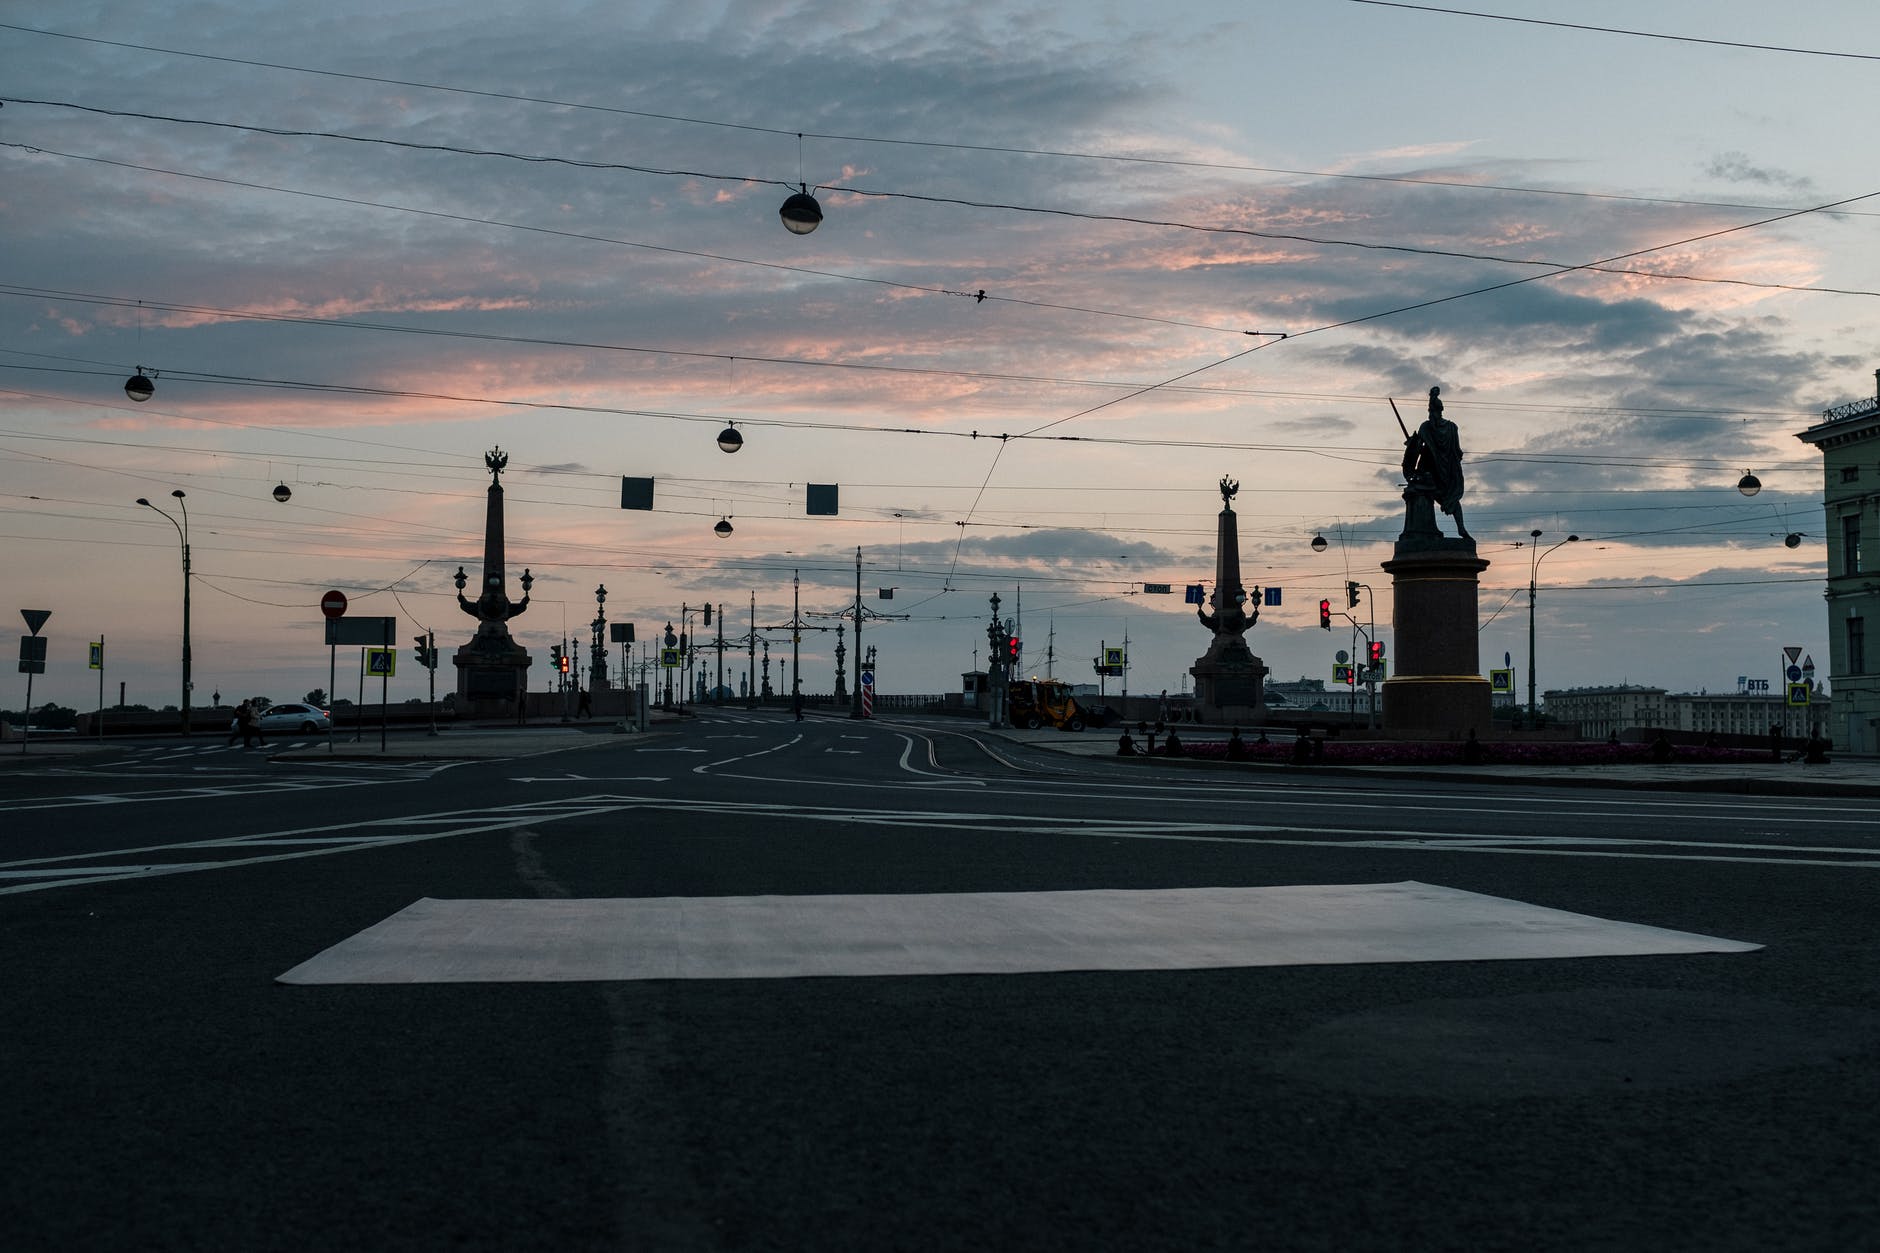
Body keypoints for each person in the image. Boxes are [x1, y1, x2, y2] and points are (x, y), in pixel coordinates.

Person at [1401, 386, 1471, 539]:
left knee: (1443, 496)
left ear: (1434, 411)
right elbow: (1458, 452)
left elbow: (1418, 447)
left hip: (1435, 472)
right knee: (1449, 499)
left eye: (1431, 411)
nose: (1431, 415)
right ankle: (1456, 529)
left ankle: (1455, 529)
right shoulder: (1451, 427)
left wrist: (1412, 446)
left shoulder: (1428, 427)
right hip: (1443, 472)